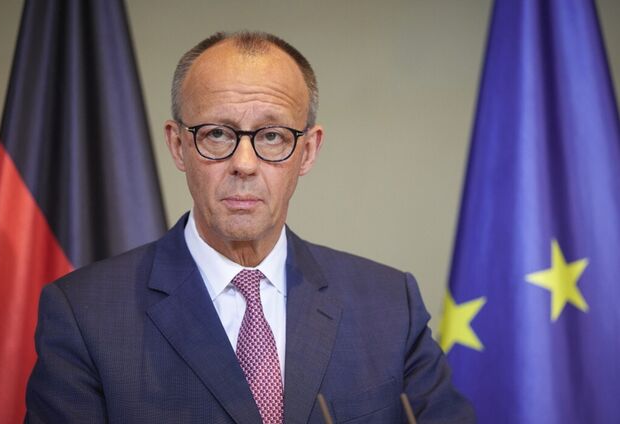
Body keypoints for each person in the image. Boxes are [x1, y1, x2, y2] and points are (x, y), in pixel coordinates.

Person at [25, 31, 474, 423]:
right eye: (217, 134)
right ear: (178, 145)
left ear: (308, 151)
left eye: (272, 136)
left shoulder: (390, 305)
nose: (244, 164)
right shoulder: (84, 315)